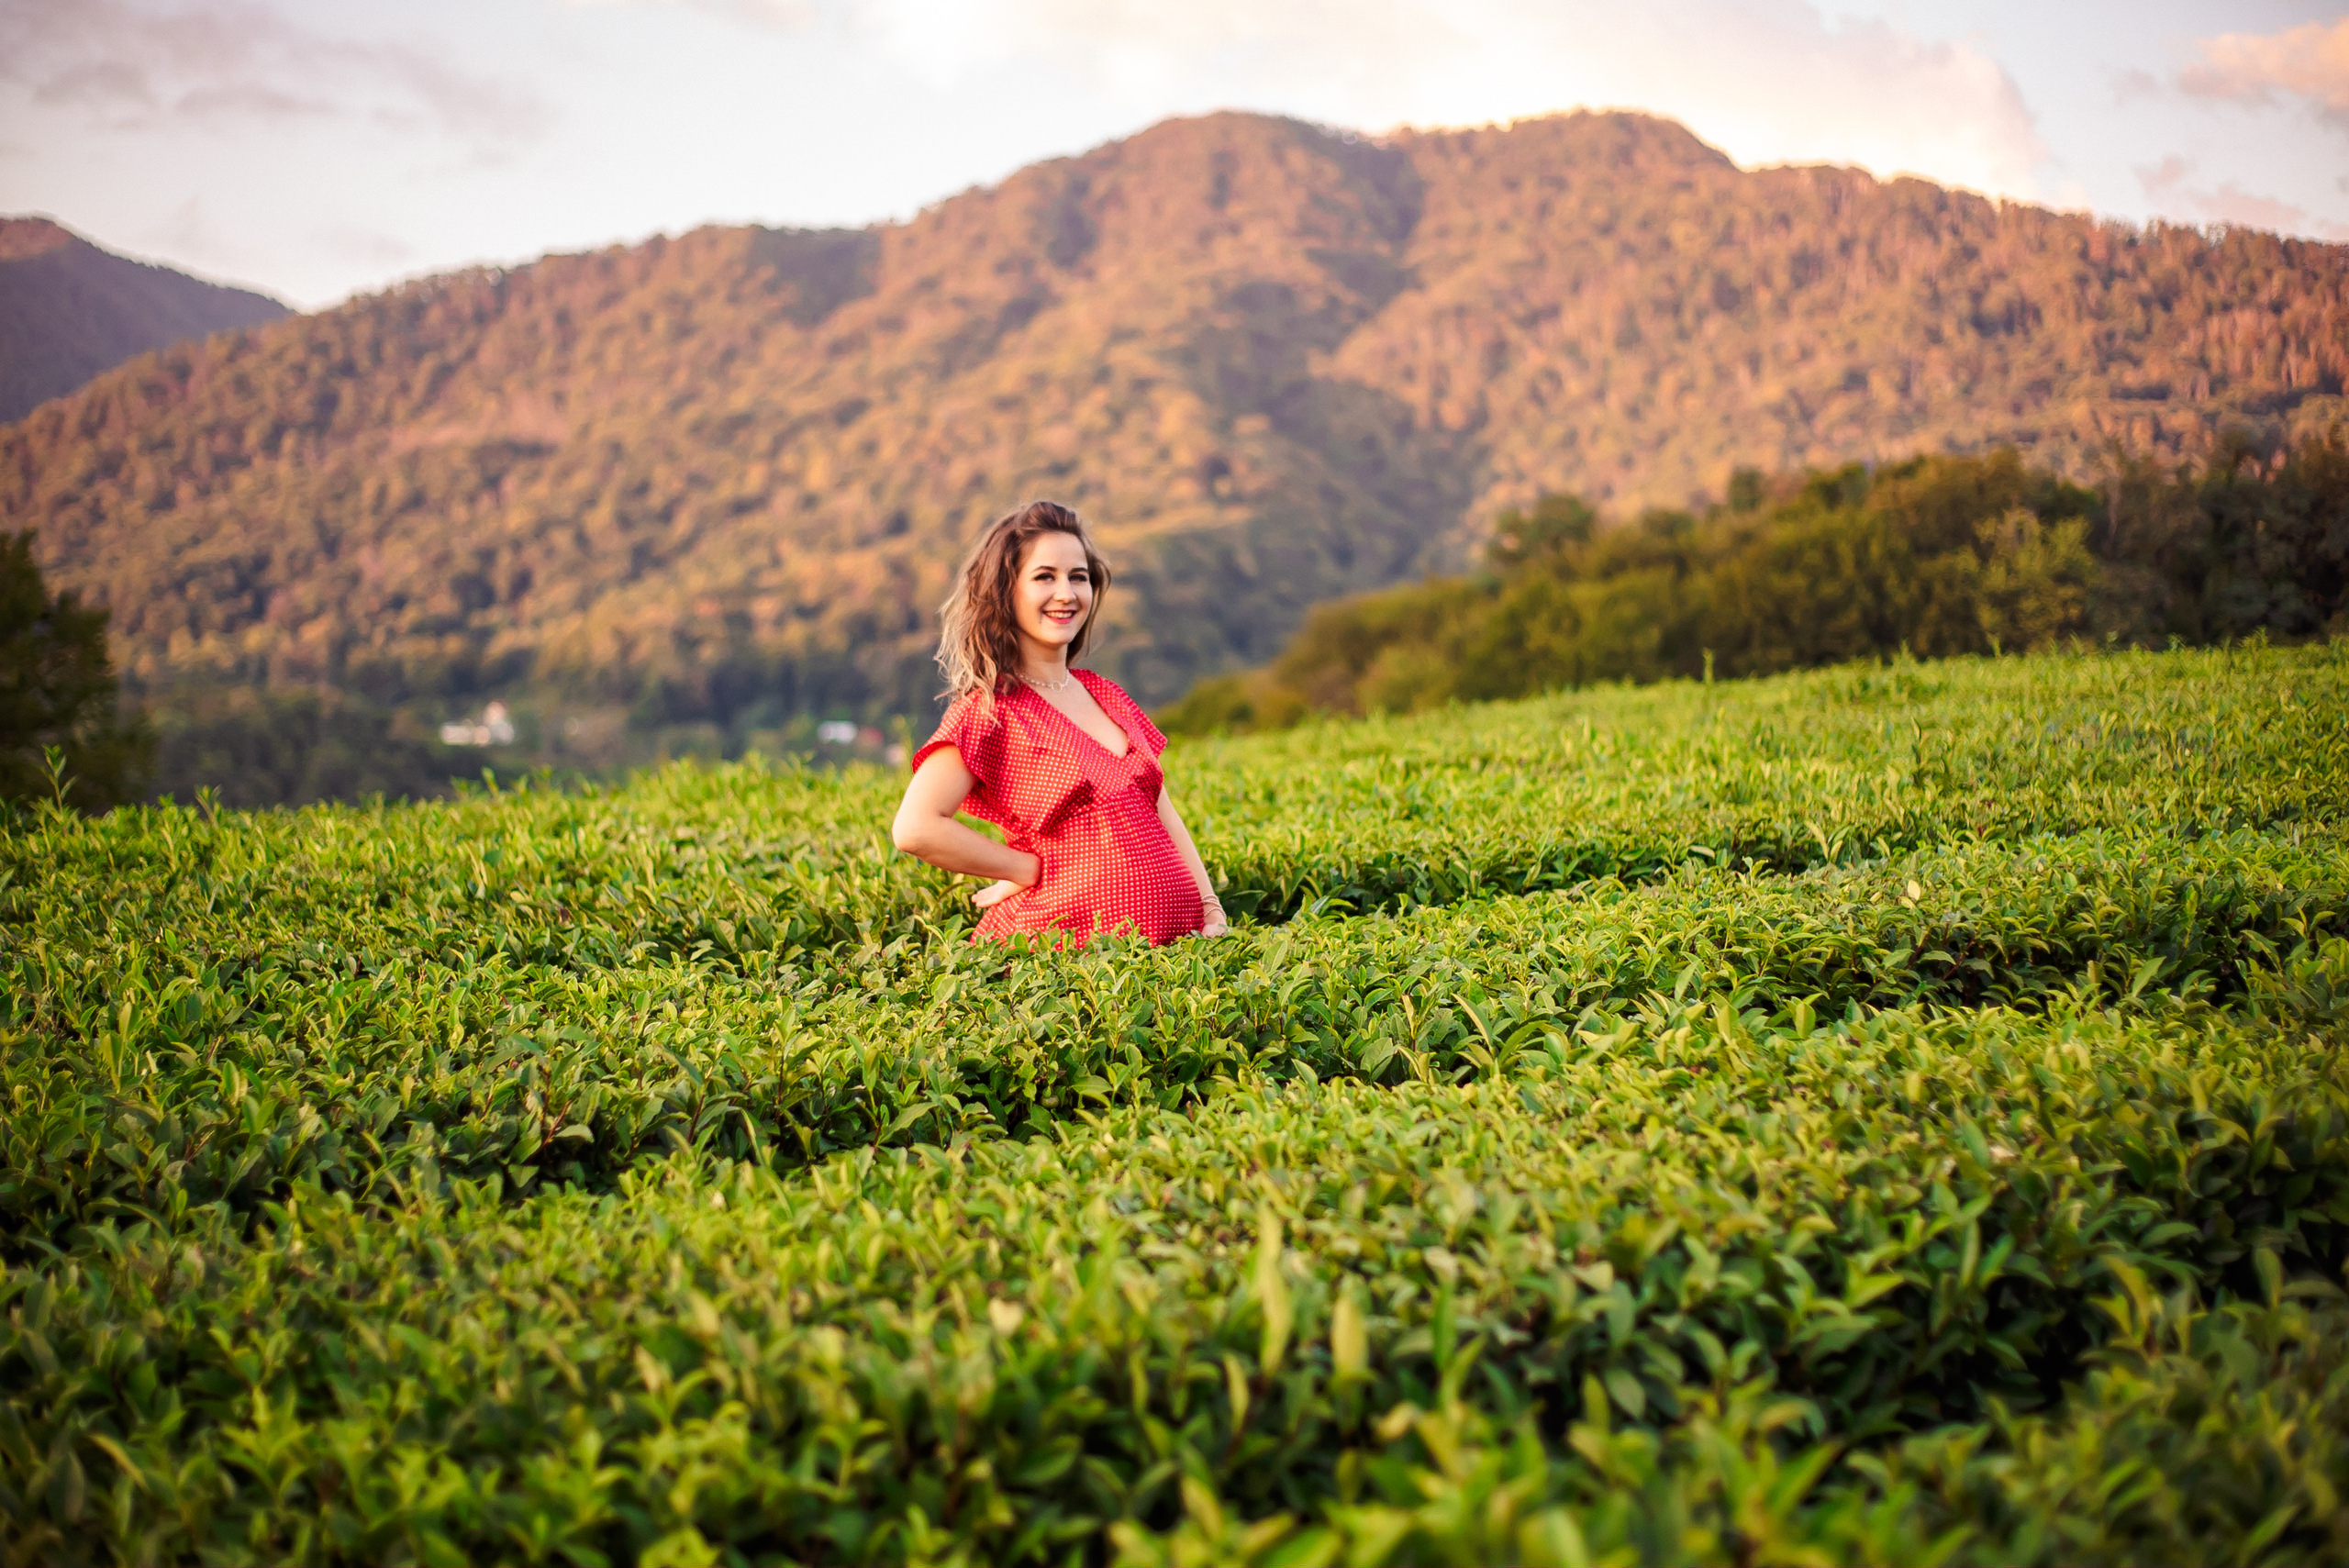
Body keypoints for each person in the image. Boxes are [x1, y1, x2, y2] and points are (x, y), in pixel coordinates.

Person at [891, 500, 1230, 946]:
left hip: (1174, 949)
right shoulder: (990, 709)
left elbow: (1162, 810)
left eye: (1078, 577)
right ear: (1005, 591)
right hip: (1070, 964)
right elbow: (916, 827)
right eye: (1044, 577)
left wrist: (1211, 907)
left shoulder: (1107, 694)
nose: (1067, 593)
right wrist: (1023, 867)